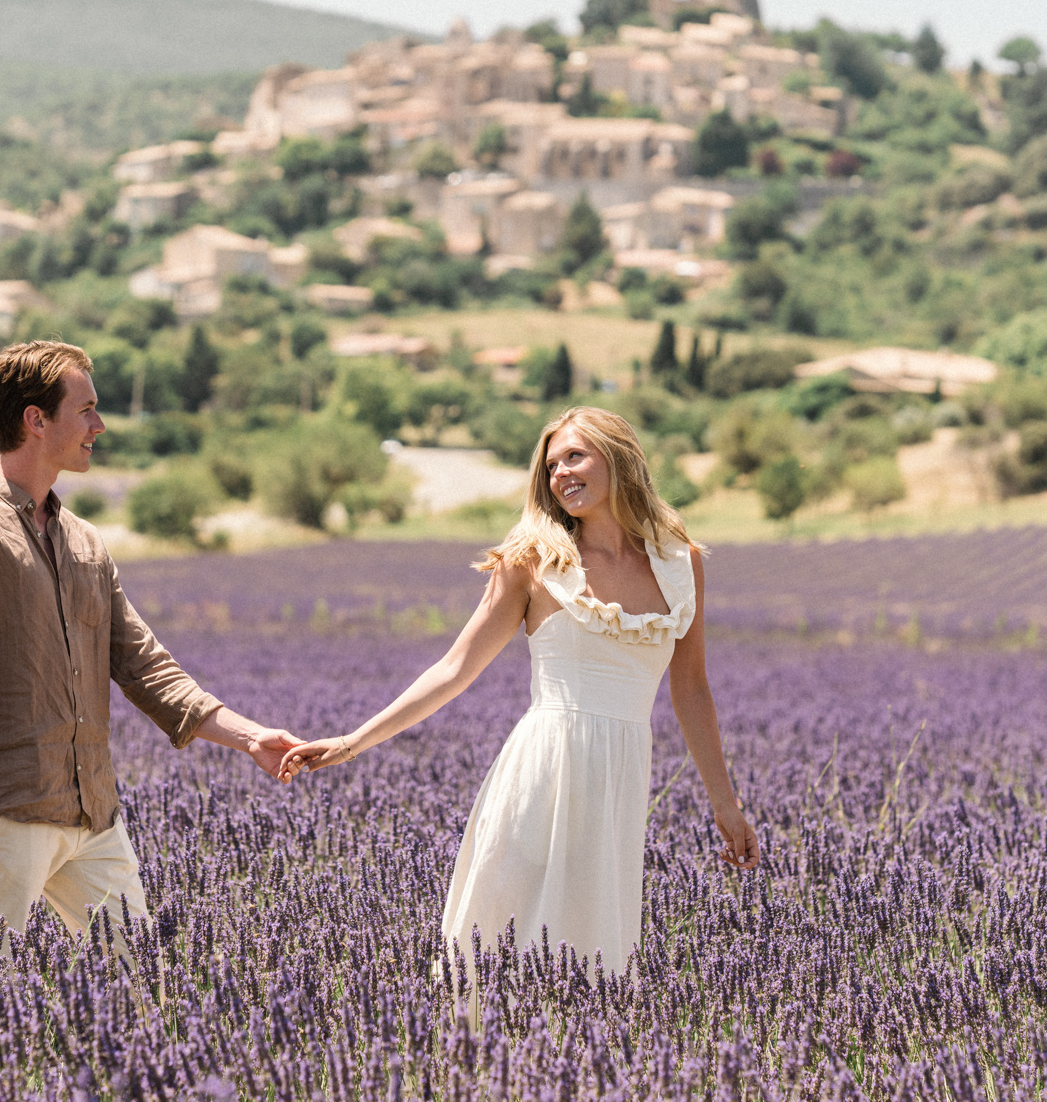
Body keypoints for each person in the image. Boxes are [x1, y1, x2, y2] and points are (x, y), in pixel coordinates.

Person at [281, 406, 759, 976]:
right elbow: (454, 669)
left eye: (575, 457)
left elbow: (692, 688)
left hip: (622, 781)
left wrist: (724, 805)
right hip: (543, 772)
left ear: (620, 457)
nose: (560, 474)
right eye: (552, 466)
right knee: (504, 946)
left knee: (596, 957)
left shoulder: (682, 563)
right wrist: (351, 742)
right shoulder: (533, 562)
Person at [0, 340, 301, 950]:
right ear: (36, 419)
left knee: (143, 980)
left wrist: (250, 738)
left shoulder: (84, 543)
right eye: (85, 410)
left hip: (92, 815)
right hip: (6, 814)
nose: (99, 425)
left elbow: (145, 666)